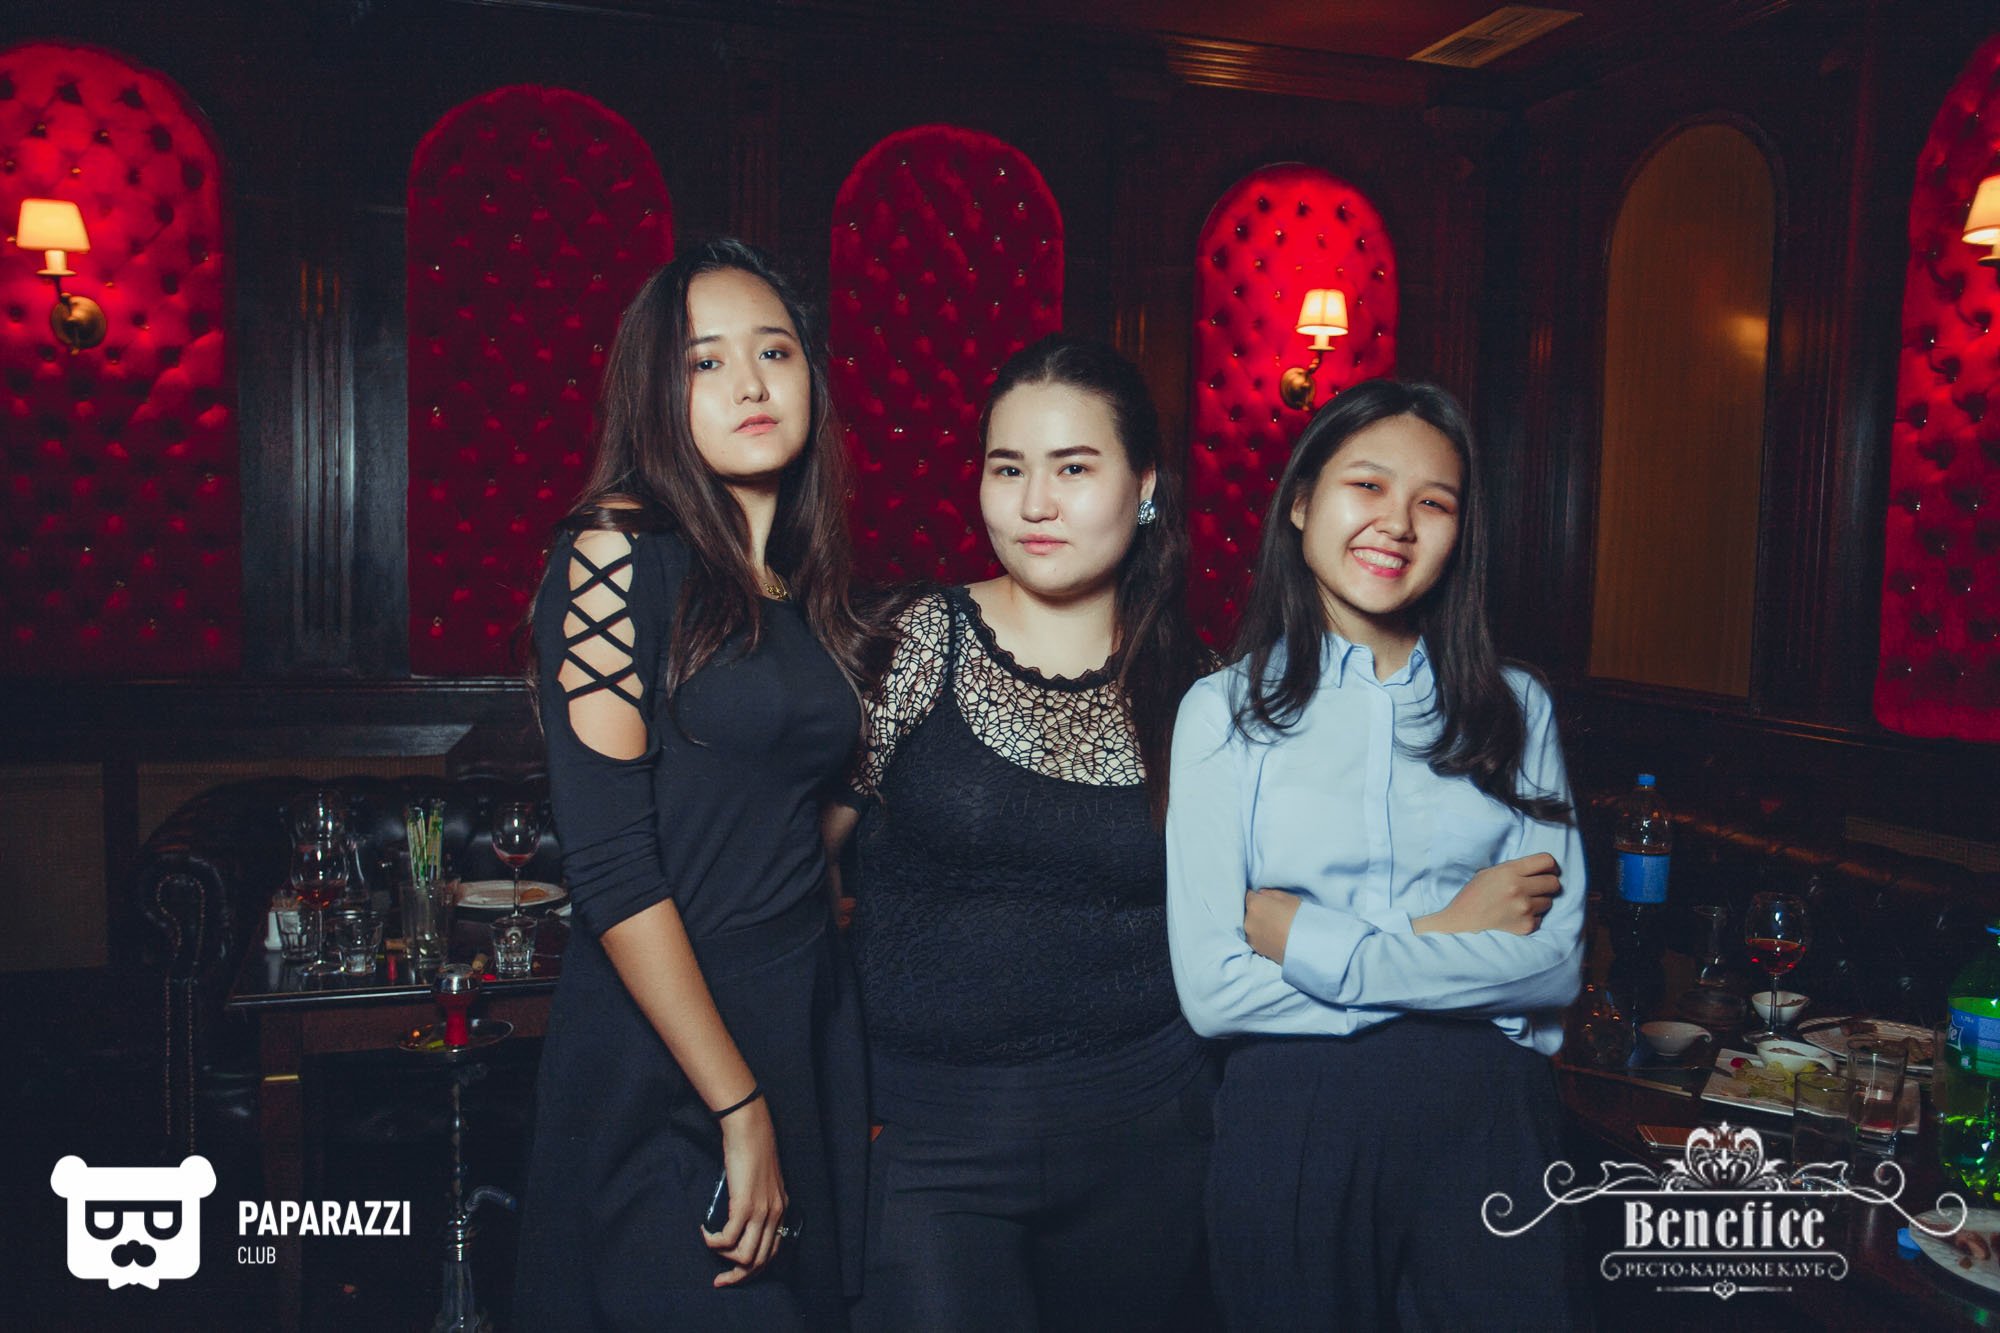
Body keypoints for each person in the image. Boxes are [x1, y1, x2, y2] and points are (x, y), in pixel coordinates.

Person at [513, 239, 879, 1331]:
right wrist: (736, 1100)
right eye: (704, 362)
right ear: (655, 397)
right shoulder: (614, 553)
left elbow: (786, 819)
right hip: (668, 1050)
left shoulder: (798, 586)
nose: (749, 383)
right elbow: (612, 866)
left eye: (774, 351)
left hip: (796, 1019)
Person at [1165, 379, 1585, 1330]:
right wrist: (1448, 929)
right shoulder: (1221, 713)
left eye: (1434, 502)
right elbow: (1216, 990)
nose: (1396, 523)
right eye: (1367, 485)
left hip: (1490, 1124)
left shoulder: (1518, 708)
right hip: (1295, 1122)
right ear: (1302, 502)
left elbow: (1552, 967)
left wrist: (1314, 942)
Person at [823, 334, 1215, 1331]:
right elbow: (789, 869)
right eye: (1008, 469)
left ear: (1144, 485)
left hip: (1146, 1131)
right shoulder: (915, 642)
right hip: (928, 1133)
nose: (1035, 503)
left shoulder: (1198, 685)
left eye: (1072, 468)